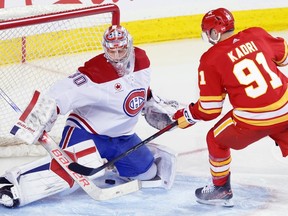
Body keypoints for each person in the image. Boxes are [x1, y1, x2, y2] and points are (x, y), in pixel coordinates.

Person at [0, 25, 178, 208]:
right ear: (105, 48)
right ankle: (11, 181)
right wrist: (40, 117)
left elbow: (142, 90)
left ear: (130, 46)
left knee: (147, 174)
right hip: (87, 133)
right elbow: (61, 92)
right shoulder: (95, 72)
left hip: (123, 137)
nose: (116, 56)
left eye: (121, 50)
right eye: (112, 50)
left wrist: (153, 105)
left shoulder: (142, 60)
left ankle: (112, 162)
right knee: (69, 179)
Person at [173, 8, 288, 207]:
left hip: (254, 121)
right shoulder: (256, 34)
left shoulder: (210, 59)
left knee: (215, 139)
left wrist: (187, 115)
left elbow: (210, 109)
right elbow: (284, 58)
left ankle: (221, 189)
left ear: (214, 33)